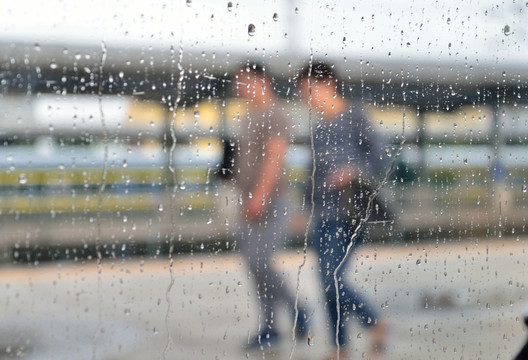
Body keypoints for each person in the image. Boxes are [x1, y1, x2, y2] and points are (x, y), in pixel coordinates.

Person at [299, 61, 389, 359]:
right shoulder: (318, 126)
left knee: (330, 279)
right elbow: (312, 174)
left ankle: (373, 321)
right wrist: (304, 207)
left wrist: (353, 170)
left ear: (328, 85)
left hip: (349, 212)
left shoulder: (354, 115)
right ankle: (340, 347)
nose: (306, 98)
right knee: (326, 283)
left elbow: (380, 152)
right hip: (322, 214)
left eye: (309, 90)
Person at [231, 62, 308, 350]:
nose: (239, 88)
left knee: (262, 261)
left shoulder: (276, 114)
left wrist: (260, 196)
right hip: (248, 199)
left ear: (261, 80)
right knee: (255, 265)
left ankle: (293, 312)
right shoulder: (248, 116)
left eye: (244, 81)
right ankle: (275, 323)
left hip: (271, 200)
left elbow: (275, 156)